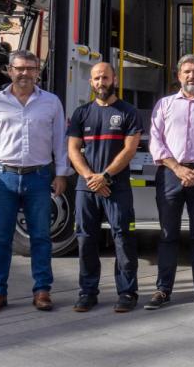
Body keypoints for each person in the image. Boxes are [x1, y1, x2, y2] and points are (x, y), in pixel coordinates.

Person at [0, 50, 68, 315]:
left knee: (41, 237)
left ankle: (42, 290)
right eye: (19, 68)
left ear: (38, 71)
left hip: (38, 177)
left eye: (30, 68)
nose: (24, 73)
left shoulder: (51, 103)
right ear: (9, 70)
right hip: (3, 177)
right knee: (1, 239)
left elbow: (60, 141)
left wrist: (61, 174)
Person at [144, 54, 194, 311]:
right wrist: (177, 168)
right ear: (179, 76)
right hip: (170, 175)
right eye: (187, 71)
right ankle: (162, 289)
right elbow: (156, 141)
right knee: (168, 234)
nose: (192, 76)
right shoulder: (164, 105)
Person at [67, 62, 144, 313]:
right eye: (97, 78)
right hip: (86, 187)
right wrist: (91, 177)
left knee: (123, 238)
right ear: (91, 82)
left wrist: (106, 177)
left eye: (106, 77)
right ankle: (87, 292)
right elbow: (73, 149)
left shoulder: (128, 112)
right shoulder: (81, 113)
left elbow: (130, 149)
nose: (102, 82)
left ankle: (127, 293)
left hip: (117, 186)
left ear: (114, 79)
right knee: (86, 239)